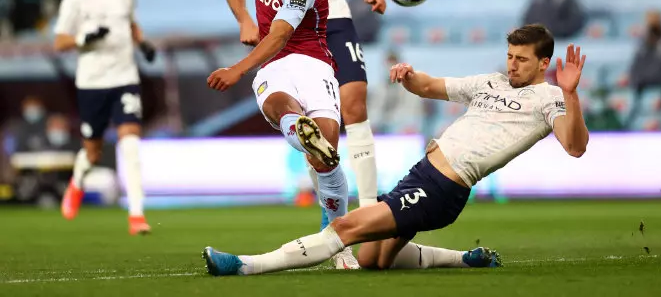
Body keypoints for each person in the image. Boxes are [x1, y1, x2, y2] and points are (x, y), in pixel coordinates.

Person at [202, 25, 590, 275]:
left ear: (544, 63)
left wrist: (570, 94)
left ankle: (244, 266)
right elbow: (430, 86)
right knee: (373, 259)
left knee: (346, 228)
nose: (512, 65)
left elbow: (574, 147)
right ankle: (465, 259)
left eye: (521, 60)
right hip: (424, 175)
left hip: (444, 187)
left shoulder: (551, 98)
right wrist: (408, 76)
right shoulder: (490, 82)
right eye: (509, 56)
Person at [224, 0, 386, 251]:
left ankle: (366, 207)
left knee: (355, 105)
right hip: (283, 27)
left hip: (333, 20)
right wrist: (245, 19)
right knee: (312, 121)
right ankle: (330, 200)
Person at [211, 0, 357, 268]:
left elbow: (278, 35)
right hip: (274, 68)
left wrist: (237, 69)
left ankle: (338, 237)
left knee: (327, 154)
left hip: (313, 62)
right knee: (280, 105)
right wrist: (244, 19)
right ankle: (297, 125)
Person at [53, 0, 157, 235]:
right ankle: (77, 181)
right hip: (91, 83)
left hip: (125, 78)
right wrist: (84, 38)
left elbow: (132, 24)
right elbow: (59, 41)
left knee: (131, 143)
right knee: (93, 153)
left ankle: (136, 213)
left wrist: (143, 43)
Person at [628, 10, 661, 91]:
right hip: (643, 85)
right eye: (650, 21)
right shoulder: (643, 42)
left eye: (655, 20)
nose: (653, 24)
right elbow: (636, 66)